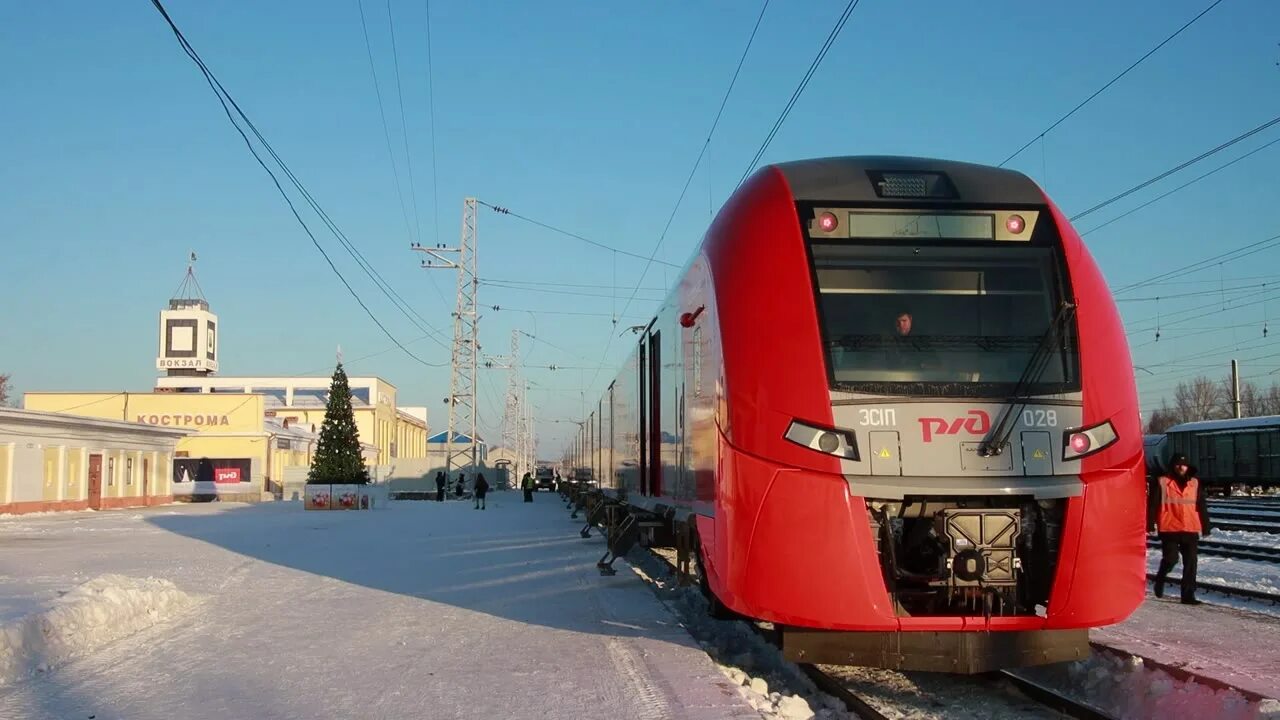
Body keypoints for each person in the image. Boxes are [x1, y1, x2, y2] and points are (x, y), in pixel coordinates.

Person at [1148, 453, 1211, 605]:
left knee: (1191, 563)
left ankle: (1188, 595)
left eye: (1183, 464)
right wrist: (1149, 523)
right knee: (1171, 559)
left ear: (1187, 466)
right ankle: (1161, 577)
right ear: (1172, 466)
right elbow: (1153, 505)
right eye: (1177, 464)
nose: (1181, 467)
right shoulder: (1162, 482)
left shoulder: (1195, 483)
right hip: (1169, 528)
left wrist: (1206, 525)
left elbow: (1201, 505)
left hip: (1190, 528)